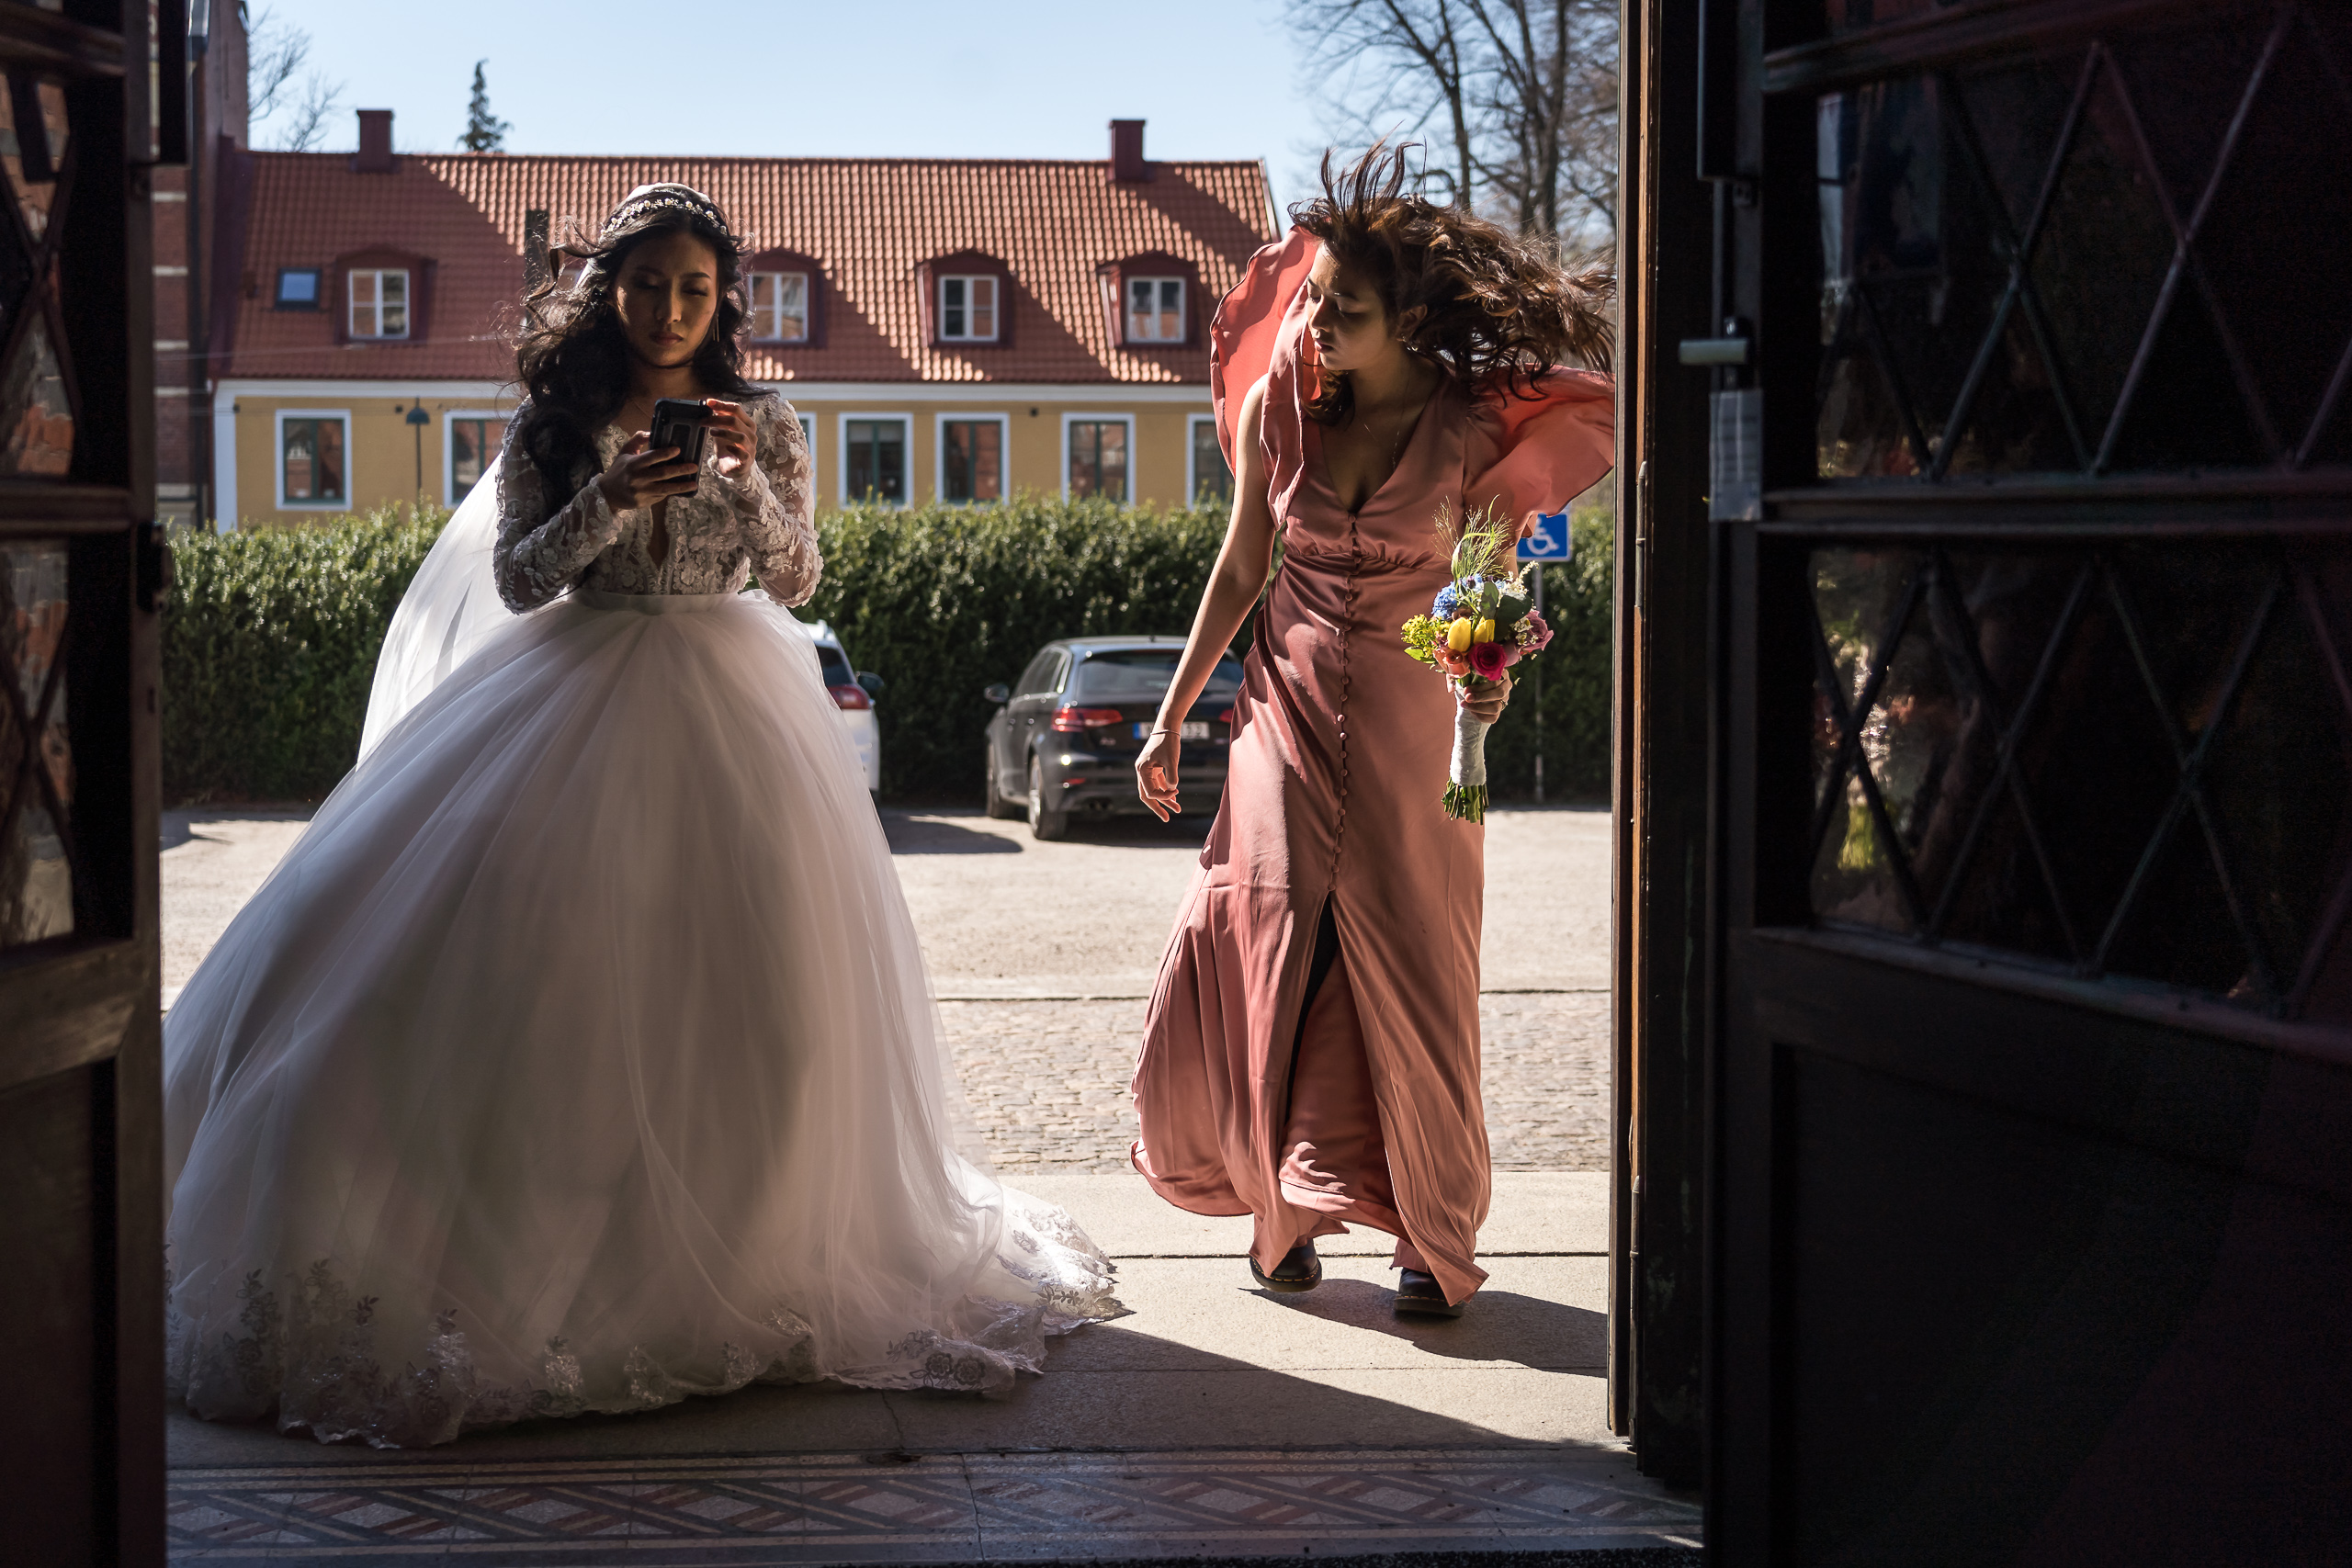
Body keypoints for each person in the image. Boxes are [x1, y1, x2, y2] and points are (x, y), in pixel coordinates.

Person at [162, 186, 1120, 1449]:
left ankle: (752, 1263)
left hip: (738, 713)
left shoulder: (766, 418)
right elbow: (515, 577)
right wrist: (612, 491)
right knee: (530, 995)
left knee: (764, 1007)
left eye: (695, 285)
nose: (670, 305)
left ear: (727, 299)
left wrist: (742, 478)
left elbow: (798, 572)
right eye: (648, 281)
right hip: (565, 700)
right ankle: (528, 1272)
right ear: (606, 287)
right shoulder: (553, 427)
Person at [1129, 148, 1614, 1317]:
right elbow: (1241, 564)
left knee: (1412, 962)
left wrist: (1483, 677)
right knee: (1279, 945)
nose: (1314, 320)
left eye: (1343, 306)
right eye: (1308, 297)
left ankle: (1424, 1235)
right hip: (1281, 717)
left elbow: (1485, 590)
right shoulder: (1274, 406)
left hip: (1414, 734)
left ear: (1405, 318)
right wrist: (1172, 712)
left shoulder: (1473, 431)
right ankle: (1279, 1214)